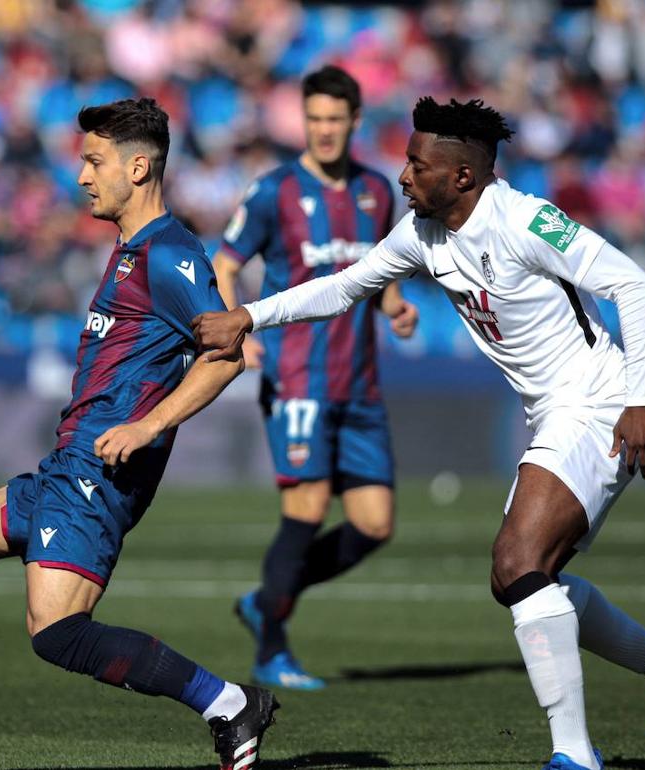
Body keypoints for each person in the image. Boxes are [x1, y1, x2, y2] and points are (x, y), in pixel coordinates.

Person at [193, 97, 645, 770]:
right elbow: (343, 286)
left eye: (418, 165)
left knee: (516, 564)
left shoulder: (528, 220)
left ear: (463, 177)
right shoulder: (423, 233)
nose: (404, 176)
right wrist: (248, 315)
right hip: (553, 412)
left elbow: (632, 284)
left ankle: (574, 756)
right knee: (523, 580)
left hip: (596, 402)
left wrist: (639, 399)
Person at [0, 98, 278, 770]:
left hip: (99, 472)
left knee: (55, 631)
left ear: (138, 167)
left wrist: (149, 424)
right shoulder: (131, 251)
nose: (81, 175)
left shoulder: (170, 253)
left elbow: (225, 353)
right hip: (67, 463)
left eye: (94, 161)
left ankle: (228, 704)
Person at [213, 65, 418, 690]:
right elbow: (225, 264)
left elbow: (377, 273)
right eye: (315, 119)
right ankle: (272, 647)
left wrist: (395, 308)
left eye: (335, 120)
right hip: (299, 379)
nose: (324, 131)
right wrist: (237, 333)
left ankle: (263, 600)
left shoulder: (378, 192)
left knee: (374, 524)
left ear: (355, 122)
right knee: (303, 512)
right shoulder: (274, 190)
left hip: (361, 382)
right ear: (303, 121)